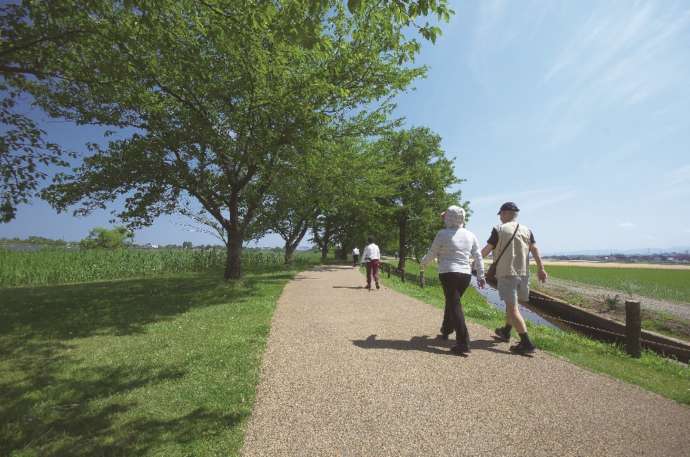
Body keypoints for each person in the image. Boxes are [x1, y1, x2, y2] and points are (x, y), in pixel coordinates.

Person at [481, 202, 547, 354]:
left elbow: (487, 249)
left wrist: (474, 262)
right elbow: (535, 249)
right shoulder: (527, 230)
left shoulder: (499, 229)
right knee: (513, 304)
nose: (501, 218)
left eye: (501, 215)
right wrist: (541, 268)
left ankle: (526, 343)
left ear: (504, 213)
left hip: (506, 273)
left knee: (512, 308)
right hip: (523, 274)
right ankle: (506, 331)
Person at [420, 206, 485, 355]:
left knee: (455, 305)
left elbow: (432, 252)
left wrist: (423, 263)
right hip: (465, 275)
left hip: (448, 273)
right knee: (452, 302)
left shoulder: (442, 234)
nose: (443, 219)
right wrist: (481, 275)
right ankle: (446, 329)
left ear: (450, 217)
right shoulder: (470, 235)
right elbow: (478, 256)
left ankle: (463, 342)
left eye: (445, 216)